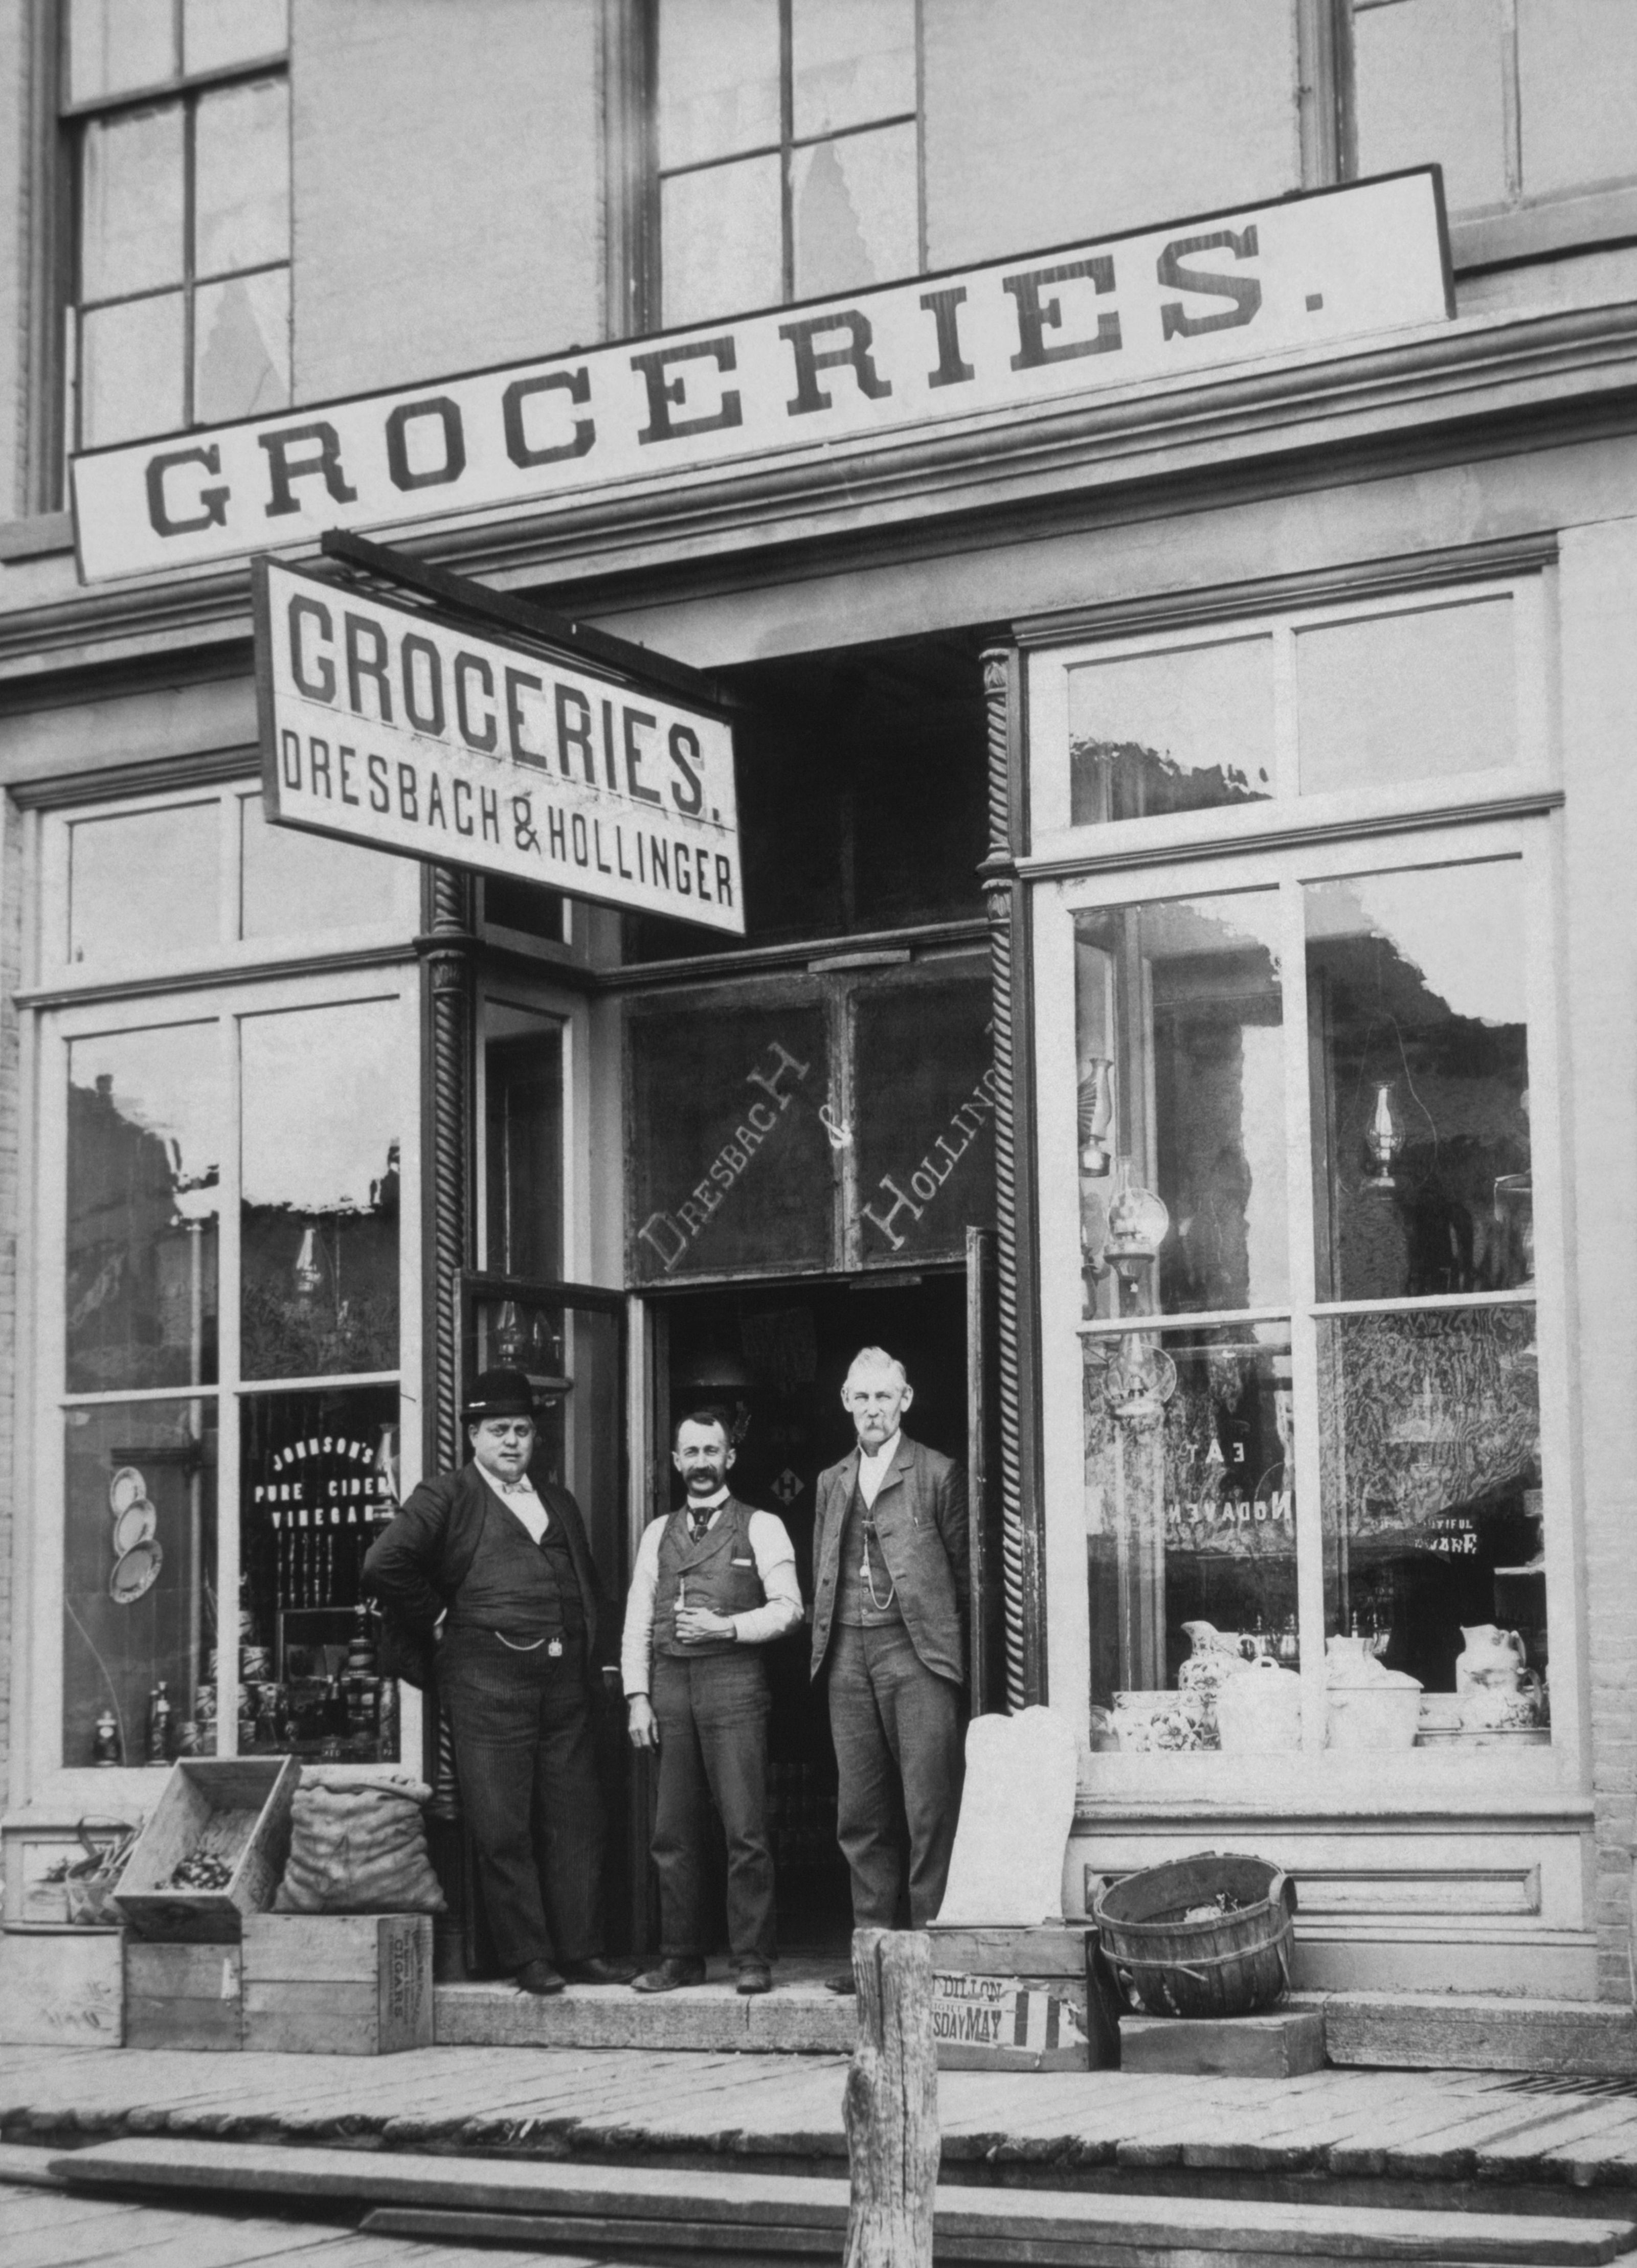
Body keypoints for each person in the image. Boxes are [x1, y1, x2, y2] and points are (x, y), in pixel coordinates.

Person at [363, 1368, 633, 1995]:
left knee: (578, 1816)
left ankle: (583, 1949)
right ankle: (529, 1956)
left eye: (522, 1430)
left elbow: (589, 1586)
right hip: (487, 1683)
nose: (512, 1442)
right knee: (503, 1822)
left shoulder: (556, 1498)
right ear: (474, 1436)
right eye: (499, 1430)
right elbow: (383, 1563)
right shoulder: (447, 1496)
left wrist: (603, 1663)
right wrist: (436, 1613)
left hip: (564, 1681)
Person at [622, 1405, 804, 1994]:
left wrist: (726, 1628)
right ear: (677, 1461)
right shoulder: (657, 1532)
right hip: (672, 1686)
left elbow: (790, 1608)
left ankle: (751, 1956)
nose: (701, 1462)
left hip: (734, 1686)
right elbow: (637, 1621)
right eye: (691, 1452)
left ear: (730, 1456)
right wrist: (637, 1695)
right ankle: (681, 1955)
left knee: (744, 1826)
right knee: (672, 1827)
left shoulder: (762, 1525)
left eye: (712, 1450)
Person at [811, 1346, 969, 1992]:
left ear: (905, 1401)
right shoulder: (831, 1480)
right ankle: (872, 1953)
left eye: (885, 1397)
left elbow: (965, 1574)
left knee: (929, 1804)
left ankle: (930, 1947)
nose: (872, 1408)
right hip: (848, 1651)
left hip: (918, 1651)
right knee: (861, 1808)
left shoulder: (937, 1472)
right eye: (861, 1397)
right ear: (846, 1402)